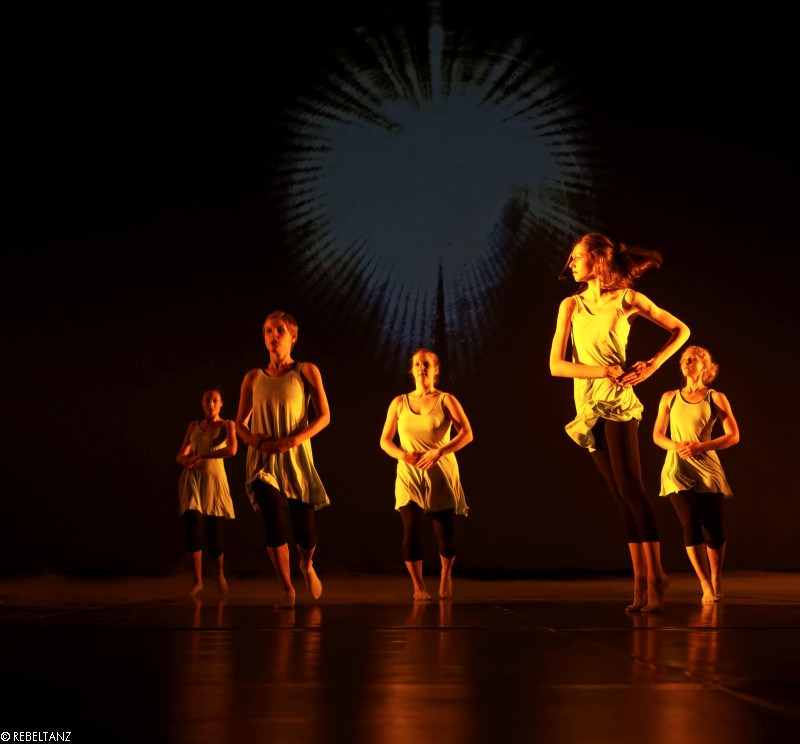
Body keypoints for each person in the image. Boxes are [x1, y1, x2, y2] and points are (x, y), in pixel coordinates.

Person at [549, 233, 690, 612]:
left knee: (631, 486)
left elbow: (681, 330)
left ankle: (656, 575)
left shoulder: (627, 300)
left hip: (617, 401)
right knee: (618, 493)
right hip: (587, 405)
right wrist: (602, 370)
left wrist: (652, 364)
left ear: (597, 260)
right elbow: (557, 365)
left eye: (577, 256)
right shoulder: (570, 305)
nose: (571, 263)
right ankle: (640, 581)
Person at [235, 311, 330, 609]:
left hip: (296, 461)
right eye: (268, 330)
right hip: (262, 463)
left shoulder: (305, 371)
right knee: (274, 518)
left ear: (293, 337)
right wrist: (251, 439)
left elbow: (324, 416)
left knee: (305, 532)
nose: (273, 335)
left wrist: (294, 440)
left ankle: (307, 565)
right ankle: (287, 588)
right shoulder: (253, 377)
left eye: (279, 330)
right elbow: (239, 423)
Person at [380, 349, 473, 601]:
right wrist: (404, 455)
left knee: (445, 537)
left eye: (426, 364)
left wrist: (439, 451)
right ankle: (418, 587)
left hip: (440, 473)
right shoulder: (399, 403)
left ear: (435, 370)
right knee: (411, 530)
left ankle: (445, 573)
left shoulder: (446, 400)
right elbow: (385, 441)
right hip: (409, 475)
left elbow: (467, 433)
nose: (421, 368)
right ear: (412, 370)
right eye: (417, 364)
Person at [653, 346, 738, 602]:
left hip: (707, 468)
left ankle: (716, 576)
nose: (686, 362)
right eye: (684, 359)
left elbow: (733, 435)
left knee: (713, 530)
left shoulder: (715, 397)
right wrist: (676, 446)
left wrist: (701, 446)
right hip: (677, 468)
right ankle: (705, 584)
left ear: (705, 366)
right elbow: (658, 435)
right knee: (690, 526)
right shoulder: (669, 397)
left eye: (692, 359)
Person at [176, 386, 238, 597]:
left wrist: (201, 455)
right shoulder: (193, 426)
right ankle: (198, 581)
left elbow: (232, 450)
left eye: (214, 401)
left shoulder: (227, 425)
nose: (211, 404)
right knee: (193, 534)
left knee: (214, 540)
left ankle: (219, 576)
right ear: (202, 404)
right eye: (207, 401)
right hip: (192, 482)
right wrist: (185, 460)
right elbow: (181, 454)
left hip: (214, 485)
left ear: (221, 404)